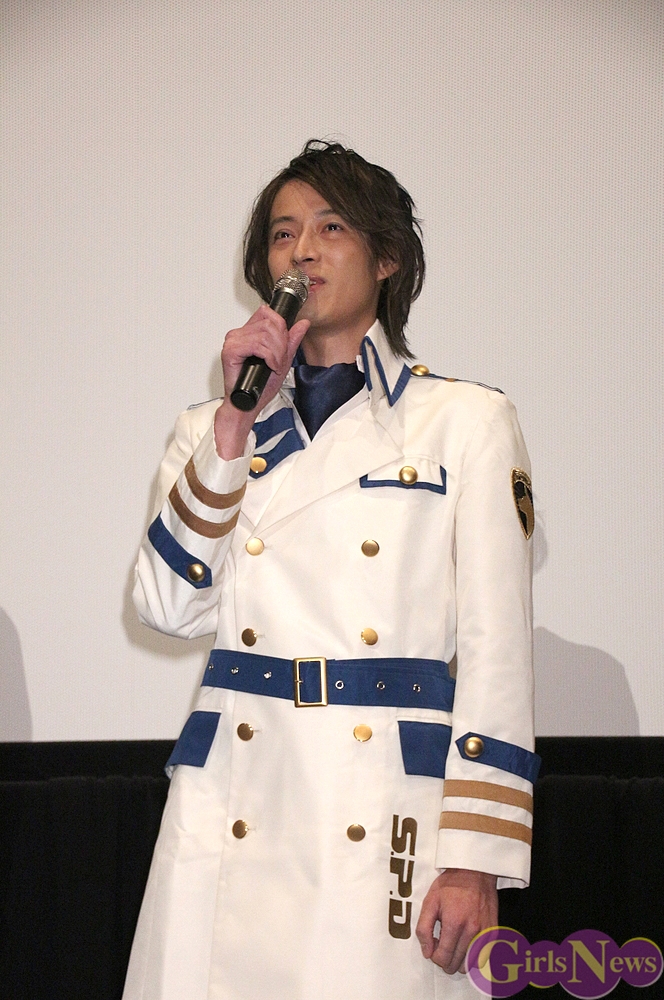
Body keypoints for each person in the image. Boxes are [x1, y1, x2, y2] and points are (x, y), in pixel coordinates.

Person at [123, 140, 539, 1000]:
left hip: (383, 807)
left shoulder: (465, 421)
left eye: (330, 227)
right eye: (283, 234)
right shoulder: (214, 426)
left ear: (387, 258)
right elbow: (165, 606)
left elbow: (497, 651)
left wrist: (475, 861)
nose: (302, 251)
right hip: (230, 805)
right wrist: (233, 431)